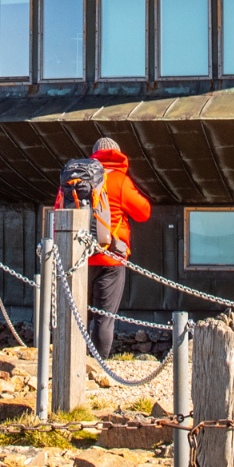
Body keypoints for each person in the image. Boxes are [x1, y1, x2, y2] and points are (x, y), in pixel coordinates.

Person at [59, 137, 153, 359]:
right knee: (104, 317)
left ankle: (74, 364)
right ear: (117, 154)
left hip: (77, 257)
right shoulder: (120, 181)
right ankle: (97, 367)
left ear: (93, 155)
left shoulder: (74, 180)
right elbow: (144, 212)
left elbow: (58, 210)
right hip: (110, 257)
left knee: (78, 314)